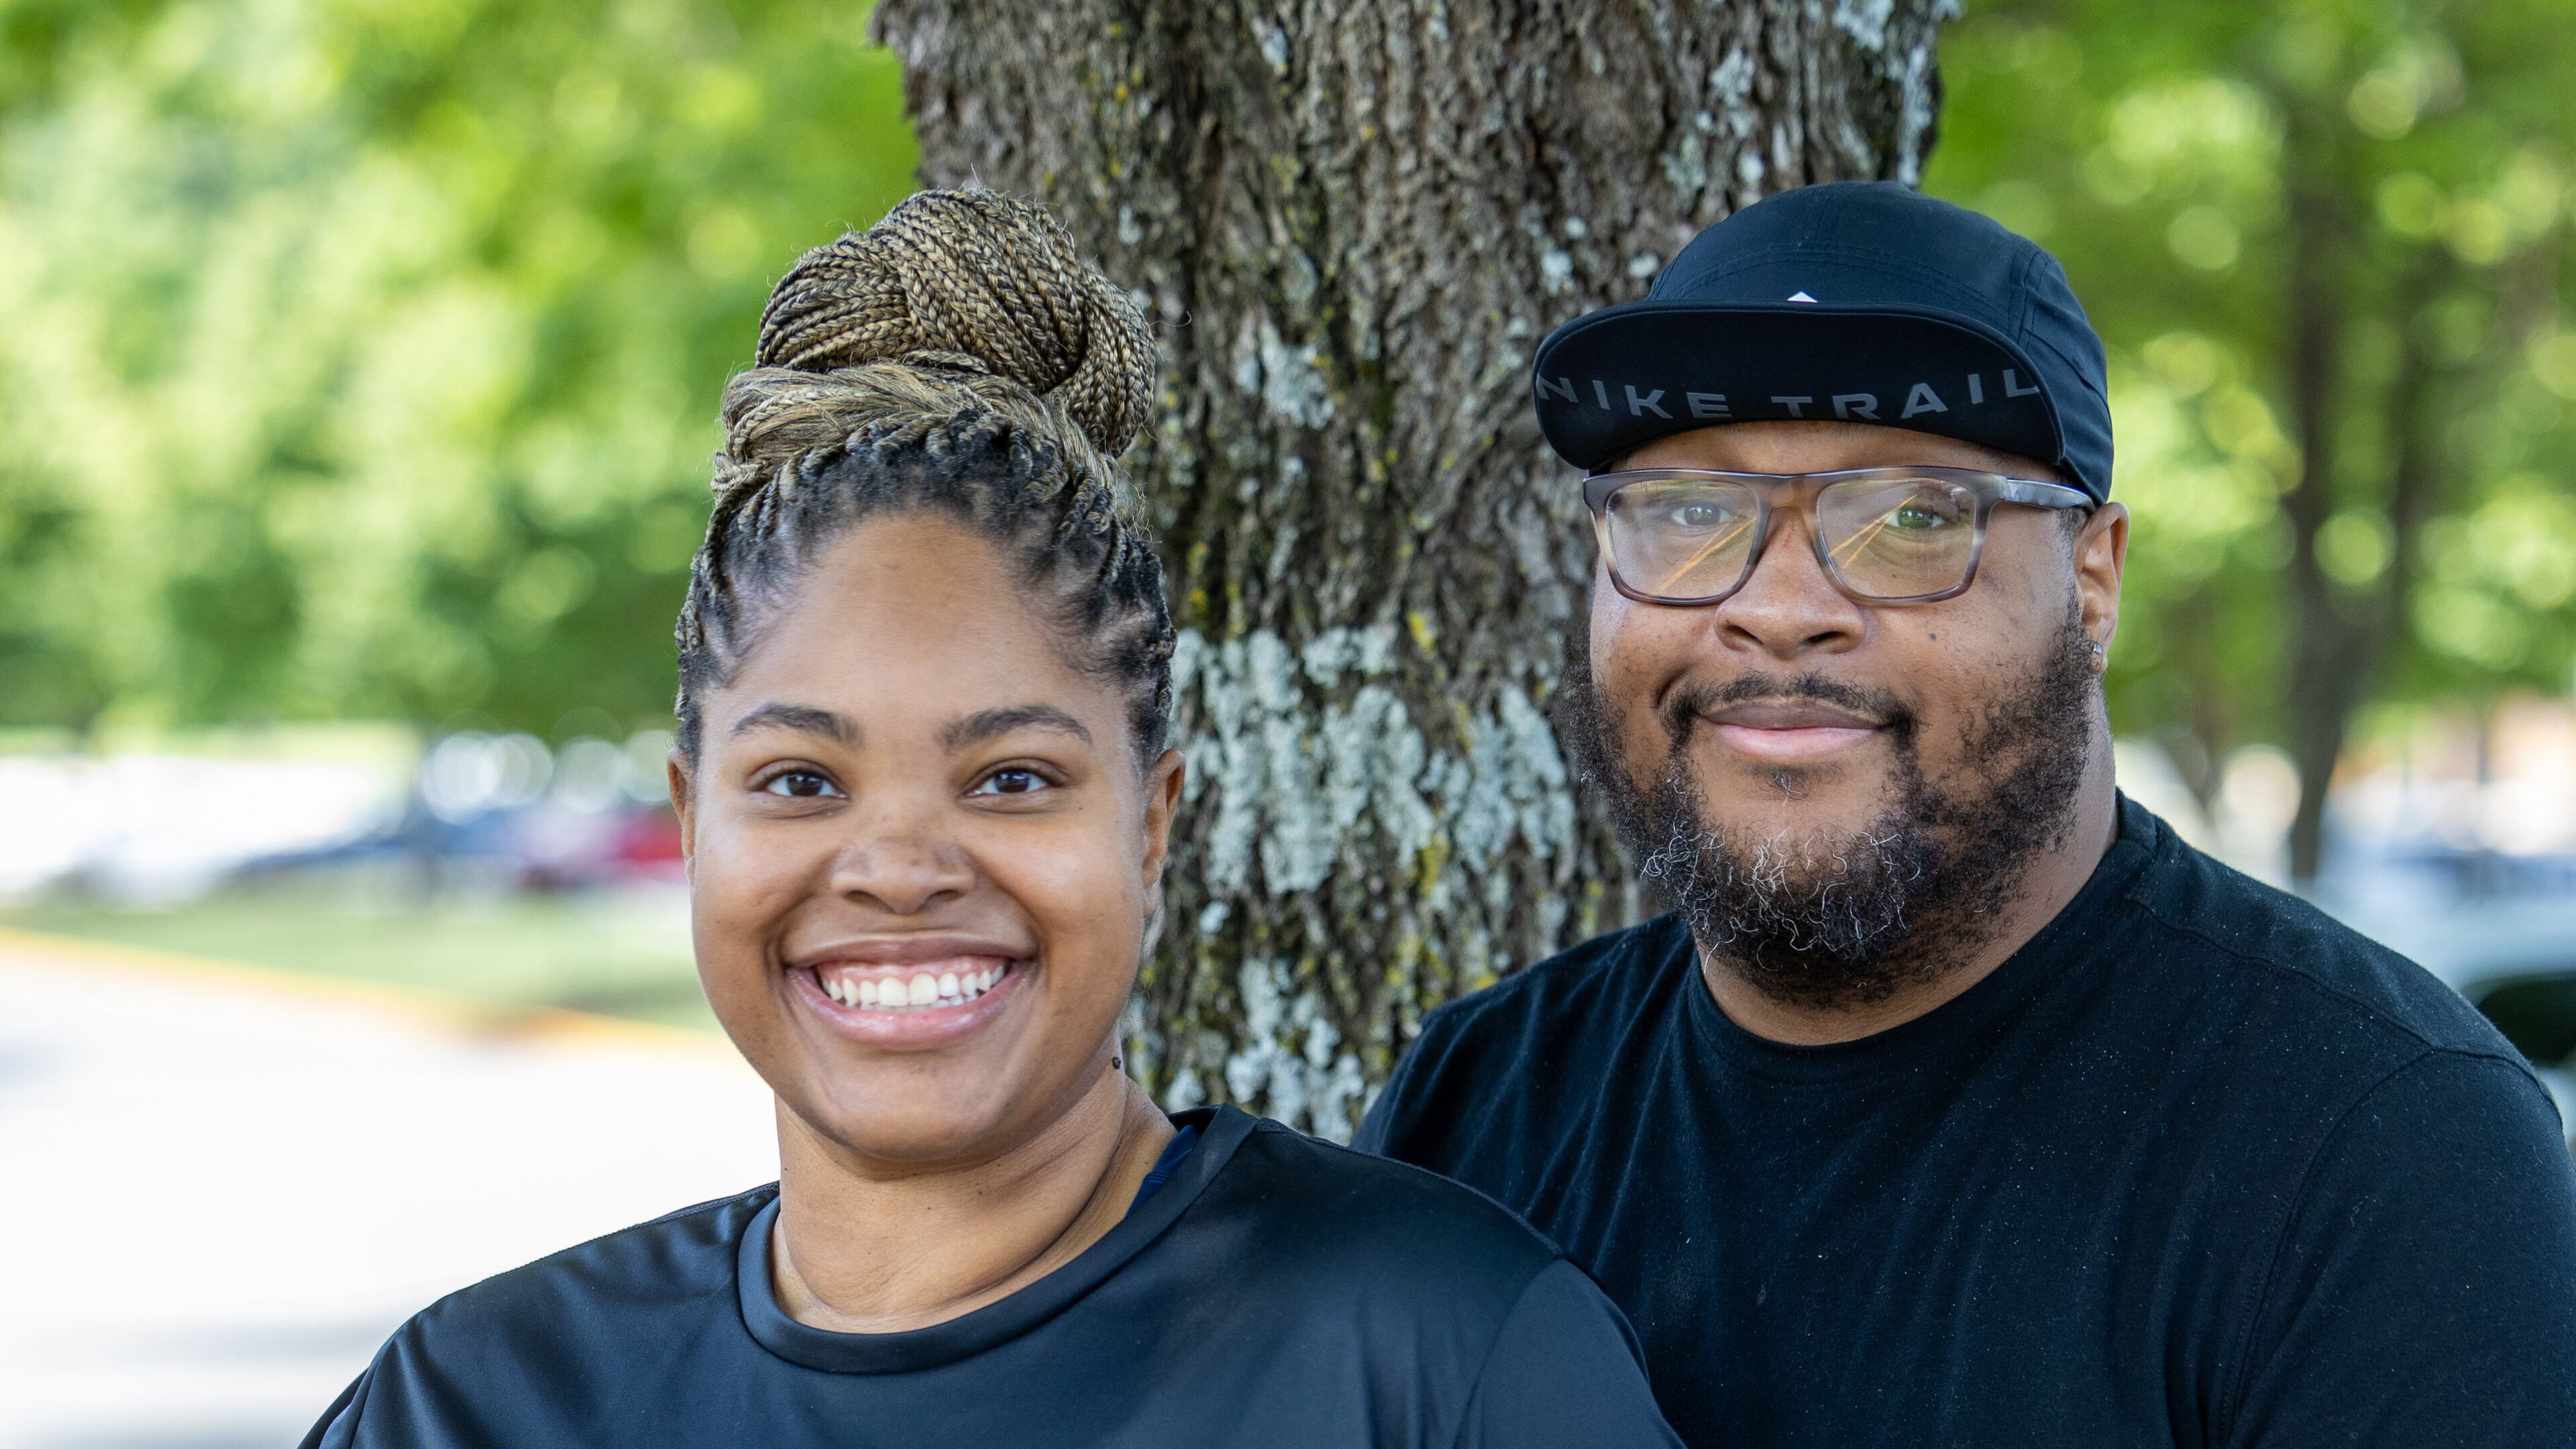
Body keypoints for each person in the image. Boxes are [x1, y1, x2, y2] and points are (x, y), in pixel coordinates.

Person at [300, 190, 1681, 1449]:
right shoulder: (479, 1403)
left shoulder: (1447, 1357)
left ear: (1154, 822)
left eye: (1011, 777)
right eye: (799, 782)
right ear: (691, 821)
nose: (900, 869)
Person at [1356, 180, 2576, 1447]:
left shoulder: (2376, 1145)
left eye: (1907, 522)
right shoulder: (1476, 1104)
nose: (1777, 607)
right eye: (1689, 515)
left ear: (2093, 582)